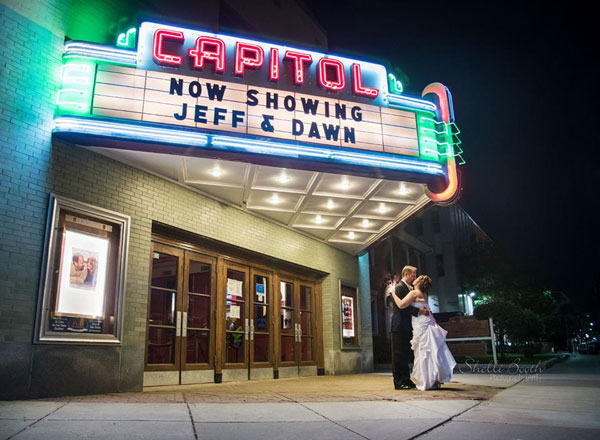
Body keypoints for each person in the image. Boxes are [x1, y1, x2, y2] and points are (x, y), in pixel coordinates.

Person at [391, 275, 457, 390]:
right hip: (426, 322)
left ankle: (426, 381)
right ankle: (433, 379)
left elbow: (401, 305)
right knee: (429, 351)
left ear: (419, 282)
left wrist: (393, 294)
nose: (415, 278)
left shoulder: (414, 293)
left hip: (421, 324)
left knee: (423, 352)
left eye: (417, 278)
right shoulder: (423, 293)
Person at [386, 266, 428, 390]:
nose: (415, 277)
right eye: (414, 274)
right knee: (398, 355)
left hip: (406, 325)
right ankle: (399, 382)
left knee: (404, 354)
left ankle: (406, 379)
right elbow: (400, 307)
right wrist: (418, 310)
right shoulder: (400, 287)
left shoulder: (408, 288)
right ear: (407, 274)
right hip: (399, 325)